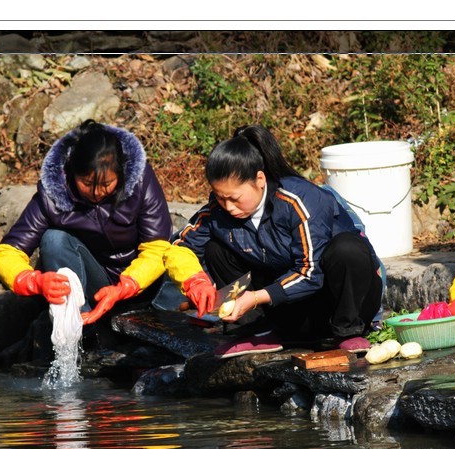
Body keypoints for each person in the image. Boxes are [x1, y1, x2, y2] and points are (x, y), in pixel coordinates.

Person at [163, 125, 385, 358]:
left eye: (234, 198)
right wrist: (194, 282)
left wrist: (255, 297)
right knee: (215, 248)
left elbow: (310, 273)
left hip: (333, 305)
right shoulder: (217, 211)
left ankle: (347, 332)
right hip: (289, 313)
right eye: (220, 197)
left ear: (260, 179)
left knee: (347, 248)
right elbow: (179, 247)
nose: (228, 206)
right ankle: (257, 332)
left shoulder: (299, 200)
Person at [0, 119, 179, 341]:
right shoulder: (53, 195)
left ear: (121, 172)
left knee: (181, 252)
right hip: (96, 284)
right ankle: (81, 331)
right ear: (72, 172)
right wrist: (34, 281)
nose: (97, 192)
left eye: (106, 184)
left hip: (143, 283)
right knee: (54, 239)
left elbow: (157, 248)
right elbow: (6, 252)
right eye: (87, 184)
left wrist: (124, 287)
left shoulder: (140, 180)